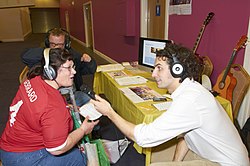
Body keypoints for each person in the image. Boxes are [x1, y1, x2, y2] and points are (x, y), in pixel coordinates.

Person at [91, 43, 249, 166]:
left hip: (226, 163)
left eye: (159, 68)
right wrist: (175, 163)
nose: (153, 74)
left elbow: (142, 137)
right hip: (214, 155)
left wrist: (110, 112)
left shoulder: (190, 101)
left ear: (177, 70)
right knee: (154, 156)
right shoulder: (190, 91)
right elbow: (186, 136)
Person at [0, 48, 99, 165]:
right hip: (22, 158)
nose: (74, 72)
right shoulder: (52, 106)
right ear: (51, 71)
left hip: (8, 146)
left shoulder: (33, 81)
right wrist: (83, 130)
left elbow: (39, 108)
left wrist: (67, 107)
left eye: (73, 67)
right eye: (69, 68)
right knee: (79, 157)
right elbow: (57, 148)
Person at [21, 28, 97, 91]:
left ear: (66, 44)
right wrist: (51, 53)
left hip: (71, 91)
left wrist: (90, 62)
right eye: (52, 44)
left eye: (60, 45)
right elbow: (25, 56)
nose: (56, 47)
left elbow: (90, 70)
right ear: (48, 43)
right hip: (48, 91)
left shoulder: (72, 55)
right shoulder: (44, 55)